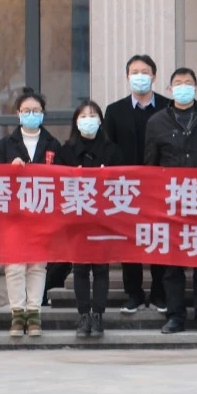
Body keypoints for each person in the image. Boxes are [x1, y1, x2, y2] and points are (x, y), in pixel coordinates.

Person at [145, 68, 197, 335]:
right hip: (170, 202)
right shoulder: (157, 122)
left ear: (196, 87)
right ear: (170, 89)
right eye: (178, 83)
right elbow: (150, 164)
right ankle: (175, 316)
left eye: (188, 82)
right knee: (171, 265)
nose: (183, 87)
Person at [0, 89, 62, 338]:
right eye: (26, 111)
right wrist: (8, 169)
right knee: (15, 265)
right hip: (14, 216)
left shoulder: (53, 144)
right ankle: (17, 313)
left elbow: (63, 178)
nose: (31, 115)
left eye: (36, 111)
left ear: (43, 114)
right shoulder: (5, 145)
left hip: (42, 215)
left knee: (38, 266)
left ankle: (34, 313)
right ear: (18, 114)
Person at [104, 54, 172, 314]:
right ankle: (133, 293)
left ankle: (159, 293)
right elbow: (108, 148)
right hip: (126, 187)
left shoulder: (168, 107)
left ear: (154, 76)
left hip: (160, 186)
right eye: (135, 72)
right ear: (127, 77)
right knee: (129, 240)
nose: (140, 76)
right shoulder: (115, 111)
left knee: (159, 236)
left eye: (145, 72)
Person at [57, 100, 123, 339]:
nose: (88, 120)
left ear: (100, 121)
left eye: (93, 115)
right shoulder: (66, 150)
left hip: (103, 218)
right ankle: (84, 314)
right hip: (76, 218)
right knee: (81, 268)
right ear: (76, 121)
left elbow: (123, 183)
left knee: (101, 268)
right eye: (84, 116)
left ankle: (98, 314)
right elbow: (56, 182)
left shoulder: (112, 150)